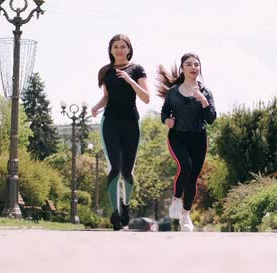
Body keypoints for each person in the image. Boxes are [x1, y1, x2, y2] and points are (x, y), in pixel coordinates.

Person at [91, 34, 150, 230]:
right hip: (110, 123)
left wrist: (129, 80)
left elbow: (146, 98)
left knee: (127, 172)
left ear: (129, 49)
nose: (119, 50)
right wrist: (96, 106)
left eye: (122, 46)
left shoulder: (137, 69)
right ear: (110, 50)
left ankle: (125, 206)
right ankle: (115, 212)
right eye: (115, 46)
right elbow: (106, 96)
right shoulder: (106, 72)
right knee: (114, 168)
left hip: (131, 124)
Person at [157, 53, 217, 231]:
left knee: (192, 178)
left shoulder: (206, 92)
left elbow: (211, 119)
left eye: (196, 65)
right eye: (189, 64)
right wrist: (166, 120)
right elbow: (164, 112)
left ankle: (185, 216)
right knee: (185, 165)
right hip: (177, 136)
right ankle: (176, 199)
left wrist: (204, 102)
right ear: (182, 68)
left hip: (198, 138)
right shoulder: (173, 92)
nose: (193, 67)